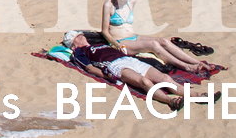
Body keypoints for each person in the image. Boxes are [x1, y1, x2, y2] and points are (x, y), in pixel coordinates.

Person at [100, 0, 216, 75]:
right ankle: (186, 66)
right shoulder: (109, 5)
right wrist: (117, 45)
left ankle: (197, 62)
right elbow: (105, 31)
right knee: (153, 45)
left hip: (133, 36)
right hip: (120, 41)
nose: (123, 0)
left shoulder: (132, 1)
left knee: (163, 41)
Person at [61, 33, 192, 111]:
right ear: (73, 43)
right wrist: (106, 75)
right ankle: (170, 101)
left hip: (128, 59)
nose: (81, 35)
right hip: (115, 65)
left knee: (165, 78)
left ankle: (196, 95)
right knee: (144, 81)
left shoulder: (98, 43)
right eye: (77, 36)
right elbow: (89, 67)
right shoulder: (79, 52)